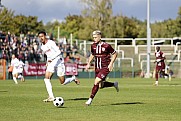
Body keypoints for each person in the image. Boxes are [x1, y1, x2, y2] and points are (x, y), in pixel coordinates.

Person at [38, 31, 80, 102]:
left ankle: (73, 78)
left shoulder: (51, 42)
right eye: (39, 37)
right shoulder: (42, 46)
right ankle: (51, 96)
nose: (41, 38)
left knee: (62, 82)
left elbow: (58, 52)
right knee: (46, 78)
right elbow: (48, 55)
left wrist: (51, 58)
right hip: (52, 62)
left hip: (59, 61)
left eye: (42, 36)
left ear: (45, 36)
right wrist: (48, 61)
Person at [85, 30, 119, 106]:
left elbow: (115, 54)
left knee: (96, 81)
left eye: (96, 37)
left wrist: (111, 63)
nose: (94, 39)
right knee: (100, 86)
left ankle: (90, 100)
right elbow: (92, 55)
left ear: (100, 37)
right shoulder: (93, 46)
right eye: (93, 37)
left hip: (105, 67)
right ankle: (114, 84)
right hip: (97, 68)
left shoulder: (106, 46)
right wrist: (88, 63)